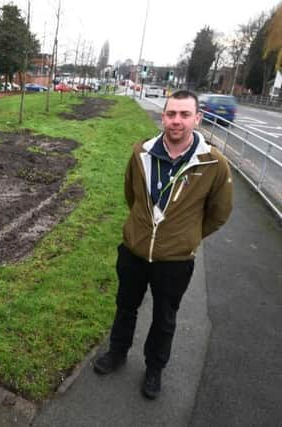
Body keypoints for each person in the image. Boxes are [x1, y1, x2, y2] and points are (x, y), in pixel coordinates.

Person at [93, 90, 233, 399]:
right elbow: (131, 195)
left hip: (175, 261)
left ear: (197, 118)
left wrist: (187, 236)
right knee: (125, 306)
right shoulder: (140, 152)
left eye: (185, 115)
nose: (177, 121)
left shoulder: (213, 164)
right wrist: (141, 229)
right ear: (163, 116)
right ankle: (117, 353)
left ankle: (154, 369)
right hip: (134, 252)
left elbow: (219, 214)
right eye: (171, 114)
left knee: (164, 318)